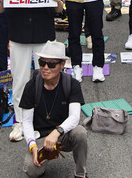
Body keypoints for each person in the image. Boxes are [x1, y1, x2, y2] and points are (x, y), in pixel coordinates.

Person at [0, 0, 64, 141]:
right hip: (19, 35)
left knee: (48, 78)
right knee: (20, 80)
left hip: (44, 35)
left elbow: (59, 11)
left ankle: (44, 119)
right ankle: (19, 121)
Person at [18, 41, 88, 178]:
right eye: (41, 63)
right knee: (31, 171)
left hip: (63, 134)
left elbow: (75, 117)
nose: (45, 68)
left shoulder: (71, 84)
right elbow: (26, 122)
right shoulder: (31, 86)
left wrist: (57, 132)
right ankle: (44, 159)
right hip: (40, 136)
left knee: (80, 132)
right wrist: (32, 146)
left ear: (62, 65)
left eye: (51, 64)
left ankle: (81, 174)